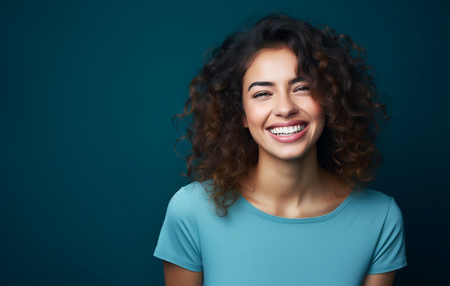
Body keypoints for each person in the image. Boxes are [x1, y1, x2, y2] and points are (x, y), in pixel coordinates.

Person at [154, 14, 407, 286]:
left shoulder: (380, 218)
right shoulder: (191, 211)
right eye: (262, 93)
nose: (285, 108)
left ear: (330, 100)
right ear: (240, 113)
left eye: (302, 88)